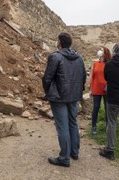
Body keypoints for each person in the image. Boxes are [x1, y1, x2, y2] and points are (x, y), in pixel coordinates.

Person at [42, 32, 87, 167]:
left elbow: (47, 78)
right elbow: (83, 76)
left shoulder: (55, 56)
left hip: (59, 96)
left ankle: (64, 158)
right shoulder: (79, 57)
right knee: (73, 122)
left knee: (62, 126)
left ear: (59, 42)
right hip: (74, 96)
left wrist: (48, 92)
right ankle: (74, 152)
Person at [90, 46, 112, 135]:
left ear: (105, 52)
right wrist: (91, 88)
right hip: (96, 88)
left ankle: (108, 127)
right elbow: (93, 77)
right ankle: (93, 126)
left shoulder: (109, 64)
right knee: (96, 108)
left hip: (107, 89)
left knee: (108, 109)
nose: (99, 51)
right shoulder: (96, 63)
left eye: (102, 50)